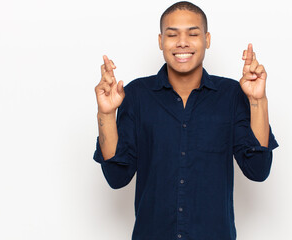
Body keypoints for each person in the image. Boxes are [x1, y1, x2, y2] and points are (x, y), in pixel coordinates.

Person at [92, 1, 279, 239]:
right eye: (172, 35)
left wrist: (258, 100)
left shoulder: (231, 95)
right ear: (160, 41)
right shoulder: (137, 95)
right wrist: (106, 114)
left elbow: (258, 170)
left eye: (193, 33)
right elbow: (117, 178)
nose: (182, 42)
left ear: (207, 40)